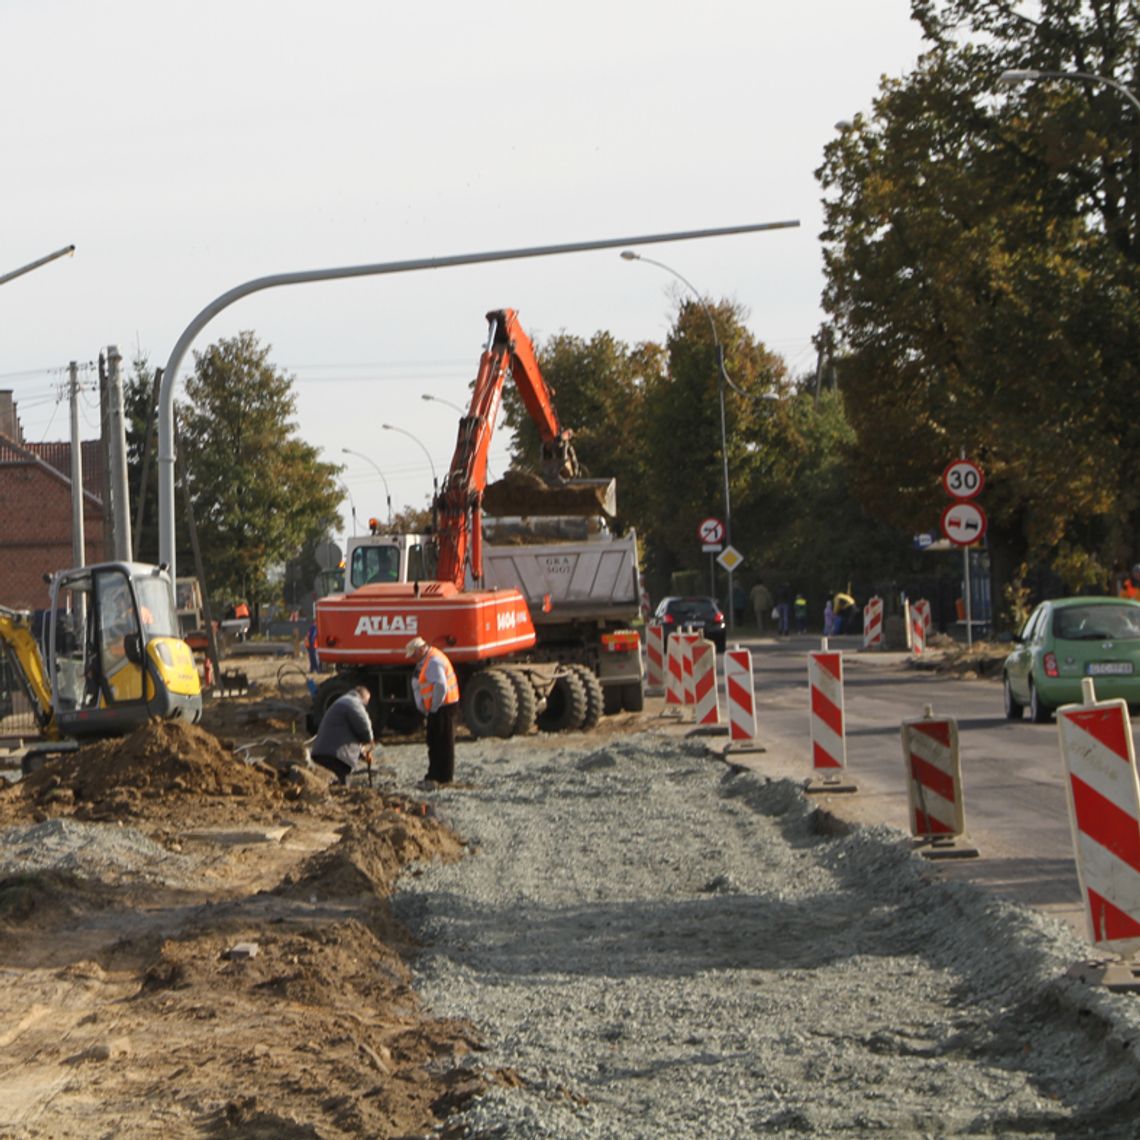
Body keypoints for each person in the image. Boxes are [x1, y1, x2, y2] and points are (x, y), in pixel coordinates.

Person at [406, 635, 460, 785]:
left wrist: (434, 707)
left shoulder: (434, 661)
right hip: (438, 707)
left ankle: (443, 777)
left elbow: (441, 686)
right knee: (435, 741)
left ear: (421, 650)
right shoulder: (427, 660)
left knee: (443, 742)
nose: (412, 658)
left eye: (413, 655)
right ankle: (435, 774)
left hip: (444, 706)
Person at [310, 683, 375, 785]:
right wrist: (369, 740)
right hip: (334, 755)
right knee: (342, 783)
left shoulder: (344, 701)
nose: (365, 705)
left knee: (338, 782)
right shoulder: (353, 702)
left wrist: (361, 753)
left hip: (325, 751)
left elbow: (344, 732)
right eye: (366, 702)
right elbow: (363, 723)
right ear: (362, 697)